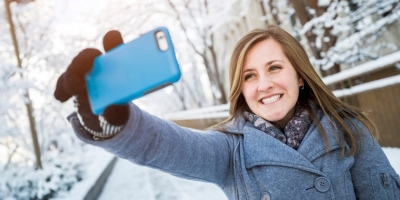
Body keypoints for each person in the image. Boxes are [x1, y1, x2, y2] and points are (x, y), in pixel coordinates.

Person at [54, 25, 400, 200]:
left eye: (275, 68)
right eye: (250, 76)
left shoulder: (348, 130)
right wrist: (116, 123)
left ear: (299, 75)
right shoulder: (231, 150)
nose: (263, 84)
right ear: (240, 88)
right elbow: (165, 145)